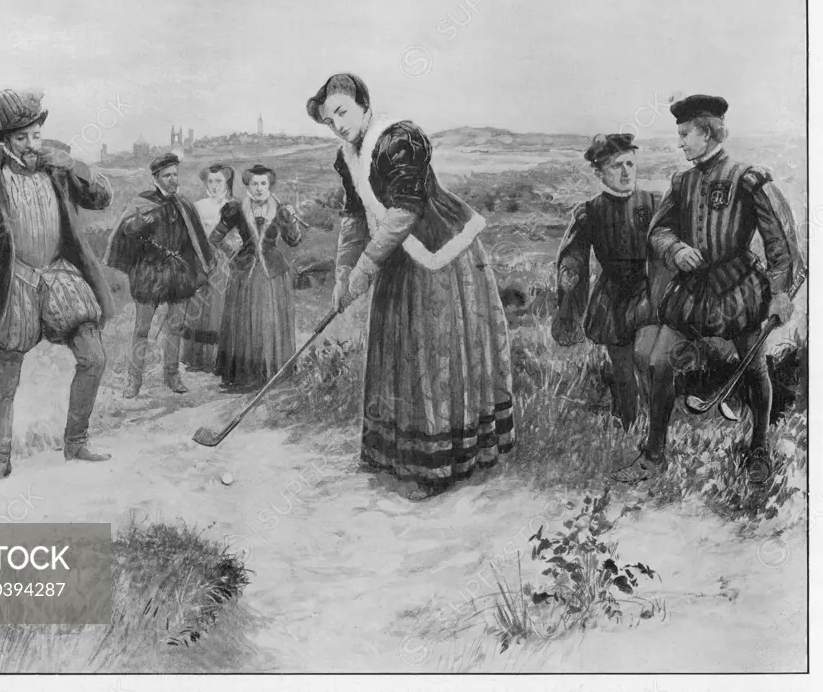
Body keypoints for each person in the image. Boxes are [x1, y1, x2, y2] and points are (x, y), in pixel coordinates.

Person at [308, 72, 515, 500]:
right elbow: (353, 216)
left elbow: (405, 211)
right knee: (398, 353)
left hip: (439, 256)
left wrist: (365, 269)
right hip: (395, 258)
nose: (339, 125)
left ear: (364, 104)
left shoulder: (399, 139)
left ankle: (440, 467)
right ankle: (396, 457)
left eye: (343, 113)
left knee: (432, 352)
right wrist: (344, 272)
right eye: (330, 120)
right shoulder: (347, 156)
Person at [612, 94, 804, 483]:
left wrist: (781, 293)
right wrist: (676, 249)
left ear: (708, 132)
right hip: (693, 295)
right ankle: (653, 455)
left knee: (754, 370)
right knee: (659, 361)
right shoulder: (681, 182)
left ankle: (759, 451)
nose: (680, 142)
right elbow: (659, 232)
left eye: (685, 134)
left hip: (740, 291)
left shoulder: (749, 177)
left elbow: (781, 243)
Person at [0, 88, 116, 481]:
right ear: (5, 140)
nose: (32, 144)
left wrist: (73, 165)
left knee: (94, 358)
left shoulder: (58, 169)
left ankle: (76, 442)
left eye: (36, 134)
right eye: (22, 137)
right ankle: (0, 462)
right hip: (11, 284)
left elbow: (103, 197)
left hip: (58, 277)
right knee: (5, 381)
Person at [553, 134, 658, 431]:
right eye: (616, 166)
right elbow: (573, 252)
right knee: (622, 368)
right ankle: (628, 424)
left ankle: (655, 425)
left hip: (648, 293)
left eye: (630, 164)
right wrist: (569, 272)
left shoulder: (652, 203)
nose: (626, 172)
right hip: (611, 298)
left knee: (647, 358)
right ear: (600, 173)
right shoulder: (590, 211)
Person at [105, 152, 215, 396]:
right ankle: (134, 380)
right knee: (142, 329)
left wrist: (198, 272)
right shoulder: (142, 203)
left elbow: (194, 243)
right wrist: (134, 228)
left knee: (175, 326)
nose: (173, 179)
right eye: (167, 175)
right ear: (156, 177)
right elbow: (124, 238)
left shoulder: (184, 205)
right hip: (149, 273)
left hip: (178, 274)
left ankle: (172, 375)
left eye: (175, 174)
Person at [210, 164, 302, 390]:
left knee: (270, 321)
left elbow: (294, 240)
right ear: (247, 185)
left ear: (269, 185)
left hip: (272, 273)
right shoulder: (236, 209)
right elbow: (215, 237)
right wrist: (233, 251)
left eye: (264, 184)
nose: (259, 188)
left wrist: (291, 221)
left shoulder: (281, 209)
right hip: (245, 273)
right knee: (244, 322)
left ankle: (273, 374)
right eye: (255, 184)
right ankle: (245, 376)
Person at [180, 164, 238, 372]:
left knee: (217, 309)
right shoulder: (198, 206)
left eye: (218, 181)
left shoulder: (234, 206)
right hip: (200, 261)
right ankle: (195, 358)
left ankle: (215, 359)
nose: (214, 185)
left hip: (224, 262)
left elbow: (237, 237)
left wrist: (229, 249)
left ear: (227, 183)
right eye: (210, 181)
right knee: (197, 309)